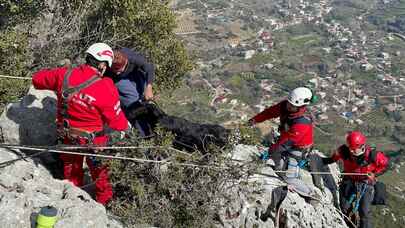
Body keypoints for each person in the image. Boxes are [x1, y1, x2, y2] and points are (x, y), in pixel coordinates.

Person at [32, 43, 129, 205]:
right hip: (93, 142)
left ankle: (73, 198)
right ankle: (103, 205)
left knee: (71, 168)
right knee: (101, 175)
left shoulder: (63, 75)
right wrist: (129, 129)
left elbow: (36, 80)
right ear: (102, 64)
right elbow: (118, 123)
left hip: (67, 136)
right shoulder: (106, 87)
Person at [248, 87, 316, 195]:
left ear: (301, 106)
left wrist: (271, 151)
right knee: (278, 163)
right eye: (289, 103)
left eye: (292, 105)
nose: (289, 106)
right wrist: (253, 121)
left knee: (288, 177)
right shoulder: (285, 106)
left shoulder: (303, 121)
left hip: (298, 149)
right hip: (285, 140)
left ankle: (311, 194)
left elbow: (287, 143)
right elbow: (268, 113)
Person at [322, 131, 389, 228]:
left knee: (364, 212)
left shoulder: (374, 155)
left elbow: (386, 165)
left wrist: (374, 174)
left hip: (366, 183)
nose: (351, 151)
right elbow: (331, 159)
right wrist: (318, 160)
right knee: (344, 208)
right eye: (350, 148)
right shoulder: (344, 151)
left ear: (362, 146)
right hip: (349, 181)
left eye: (354, 149)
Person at [108, 47, 155, 137]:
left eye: (119, 70)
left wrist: (149, 87)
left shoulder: (132, 58)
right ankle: (142, 133)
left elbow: (149, 67)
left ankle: (143, 121)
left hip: (134, 73)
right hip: (118, 80)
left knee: (142, 95)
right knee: (133, 99)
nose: (117, 72)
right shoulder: (109, 64)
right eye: (114, 69)